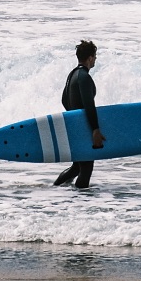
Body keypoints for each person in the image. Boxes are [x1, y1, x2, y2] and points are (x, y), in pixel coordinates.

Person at [54, 40, 105, 189]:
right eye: (94, 56)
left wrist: (73, 117)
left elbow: (64, 100)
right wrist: (95, 129)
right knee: (86, 168)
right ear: (90, 58)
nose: (95, 59)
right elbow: (89, 104)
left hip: (75, 127)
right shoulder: (84, 76)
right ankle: (81, 203)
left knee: (77, 167)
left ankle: (55, 188)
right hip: (83, 129)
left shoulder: (72, 75)